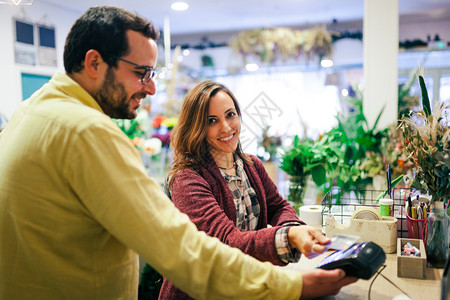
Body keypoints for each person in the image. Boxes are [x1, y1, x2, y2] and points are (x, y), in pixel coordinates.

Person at [0, 6, 356, 300]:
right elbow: (178, 245)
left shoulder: (30, 111)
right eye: (141, 73)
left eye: (153, 73)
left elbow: (276, 207)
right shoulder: (86, 131)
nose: (151, 87)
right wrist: (289, 286)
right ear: (94, 63)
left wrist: (292, 230)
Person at [159, 80, 351, 299]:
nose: (226, 127)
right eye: (212, 121)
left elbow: (279, 206)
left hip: (246, 286)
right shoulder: (187, 180)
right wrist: (289, 236)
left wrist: (295, 228)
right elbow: (228, 242)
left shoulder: (251, 165)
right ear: (196, 128)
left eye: (230, 115)